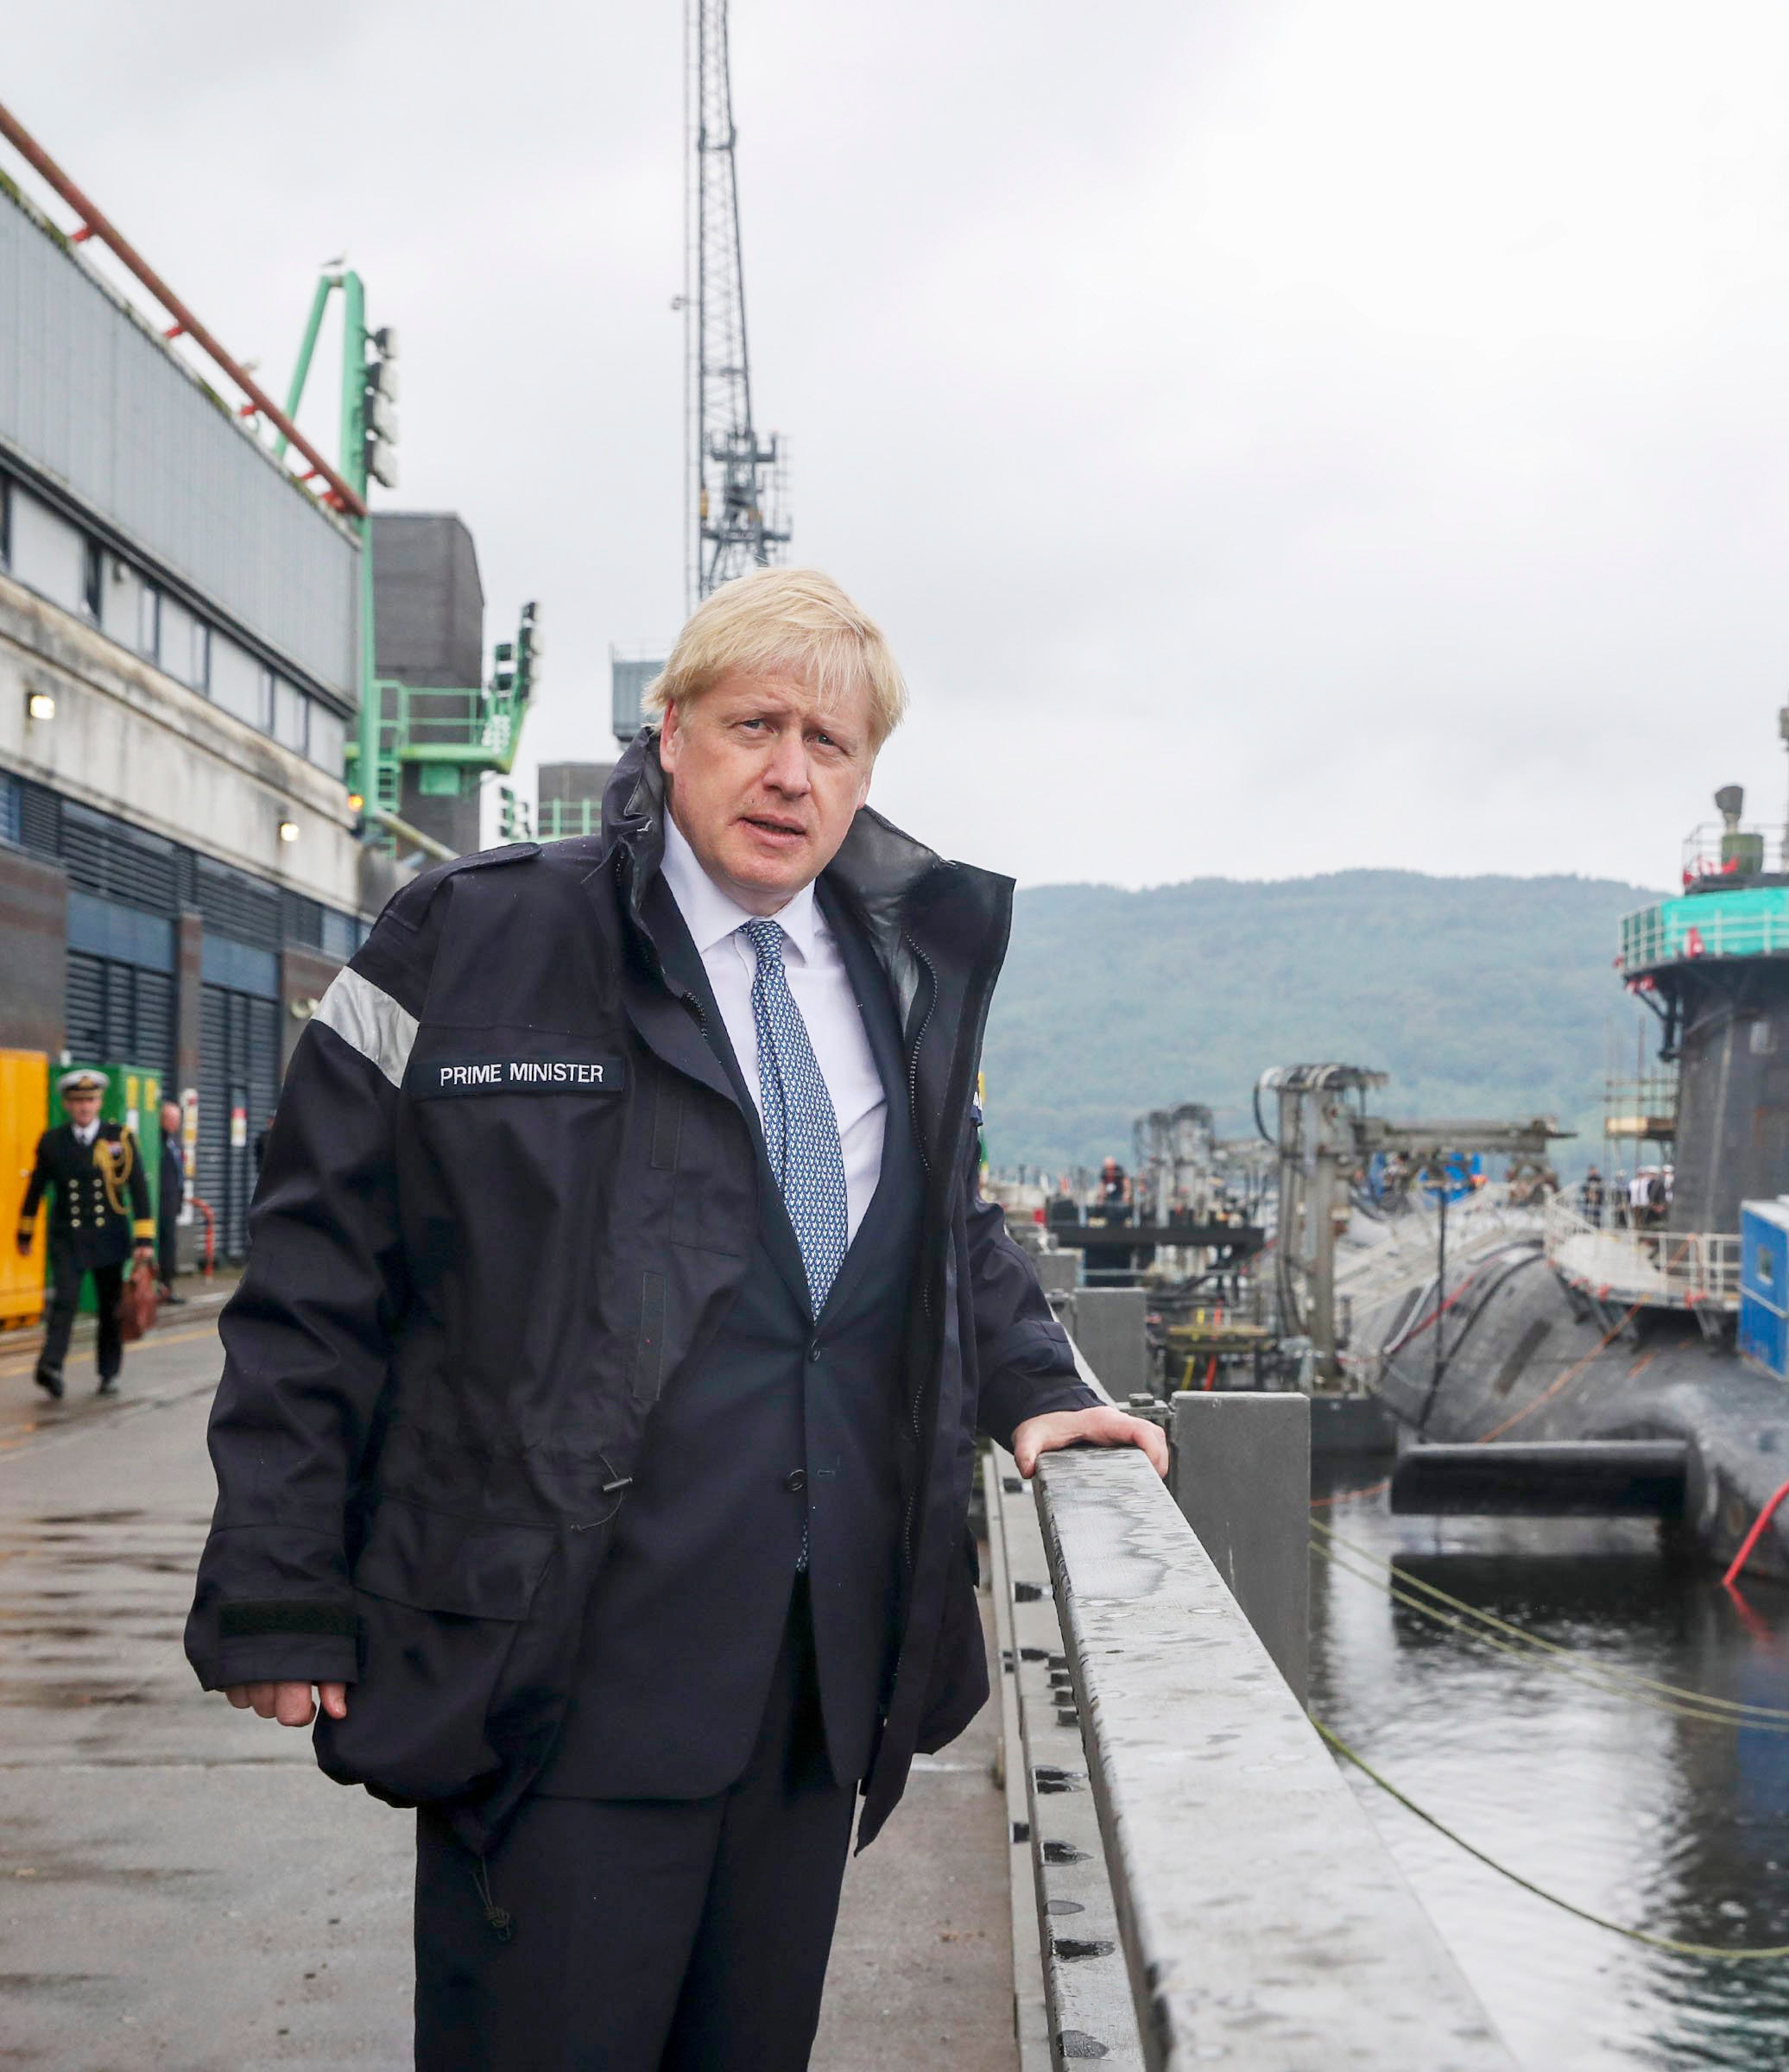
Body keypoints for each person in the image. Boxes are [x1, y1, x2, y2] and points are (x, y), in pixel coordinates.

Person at [183, 567, 1167, 2070]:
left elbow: (940, 1221)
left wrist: (1037, 1386)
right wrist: (276, 1578)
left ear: (865, 775)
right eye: (755, 723)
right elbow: (316, 1280)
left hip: (810, 1673)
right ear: (670, 731)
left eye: (831, 743)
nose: (790, 770)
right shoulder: (472, 943)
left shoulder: (894, 964)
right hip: (565, 1658)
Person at [16, 1068, 155, 1399]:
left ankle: (108, 1372)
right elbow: (36, 1188)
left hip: (109, 1234)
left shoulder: (118, 1138)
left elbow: (137, 1189)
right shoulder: (52, 1141)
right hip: (68, 1236)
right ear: (67, 1104)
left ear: (99, 1102)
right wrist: (25, 1232)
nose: (84, 1107)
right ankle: (50, 1366)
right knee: (64, 1301)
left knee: (110, 1308)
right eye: (78, 1101)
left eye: (90, 1100)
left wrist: (144, 1240)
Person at [155, 1097, 190, 1304]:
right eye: (171, 1118)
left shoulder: (171, 1141)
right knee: (164, 1246)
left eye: (178, 1118)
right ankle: (162, 1288)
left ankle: (167, 1287)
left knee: (169, 1246)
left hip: (171, 1205)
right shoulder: (158, 1141)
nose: (176, 1123)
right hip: (161, 1206)